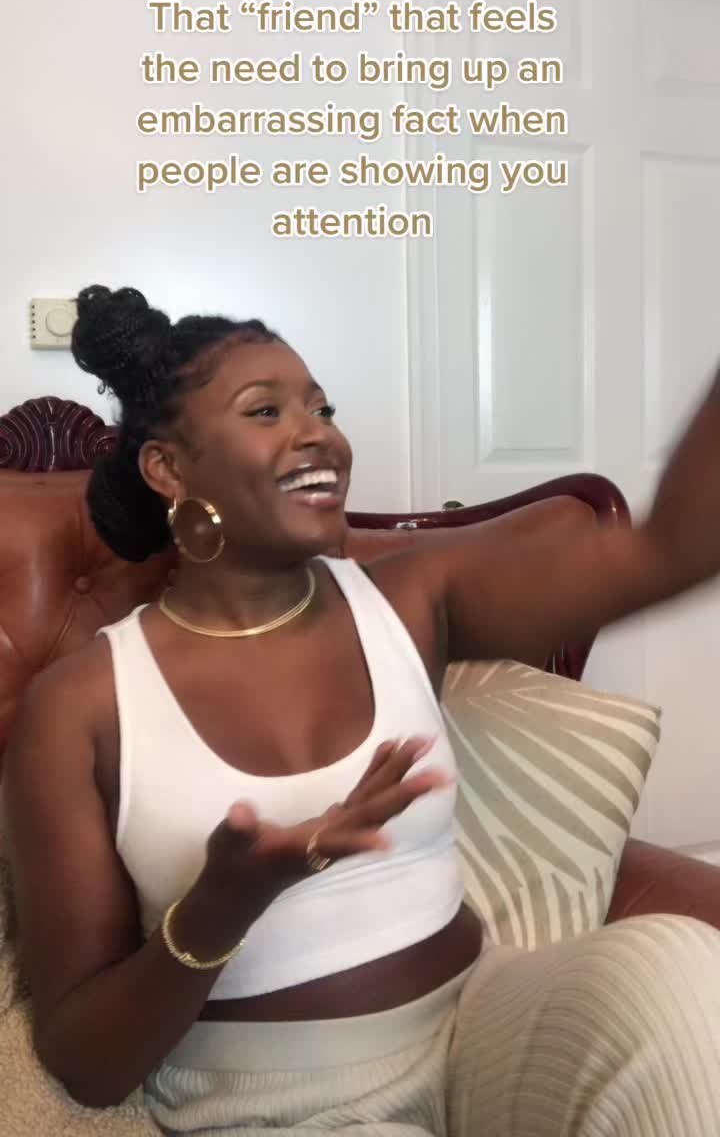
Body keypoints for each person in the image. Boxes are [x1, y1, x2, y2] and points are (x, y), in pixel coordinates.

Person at [4, 283, 720, 1137]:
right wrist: (223, 904)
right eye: (266, 410)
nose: (321, 435)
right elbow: (86, 1064)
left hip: (481, 1021)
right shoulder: (79, 707)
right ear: (169, 469)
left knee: (670, 964)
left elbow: (672, 551)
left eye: (323, 408)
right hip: (275, 1101)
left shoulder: (412, 599)